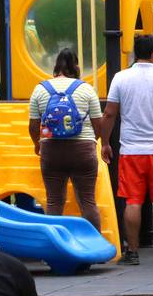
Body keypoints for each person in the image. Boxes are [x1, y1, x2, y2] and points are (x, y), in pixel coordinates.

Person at [100, 35, 153, 266]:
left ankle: (133, 252)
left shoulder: (121, 78)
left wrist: (105, 142)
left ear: (136, 53)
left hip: (131, 150)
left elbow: (109, 114)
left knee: (133, 201)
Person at [28, 48, 103, 229]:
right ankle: (96, 247)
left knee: (54, 202)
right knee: (87, 202)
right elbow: (98, 123)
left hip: (52, 150)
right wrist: (93, 141)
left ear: (56, 66)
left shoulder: (40, 89)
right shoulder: (86, 89)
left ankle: (53, 249)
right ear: (76, 66)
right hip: (83, 150)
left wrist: (37, 144)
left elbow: (33, 125)